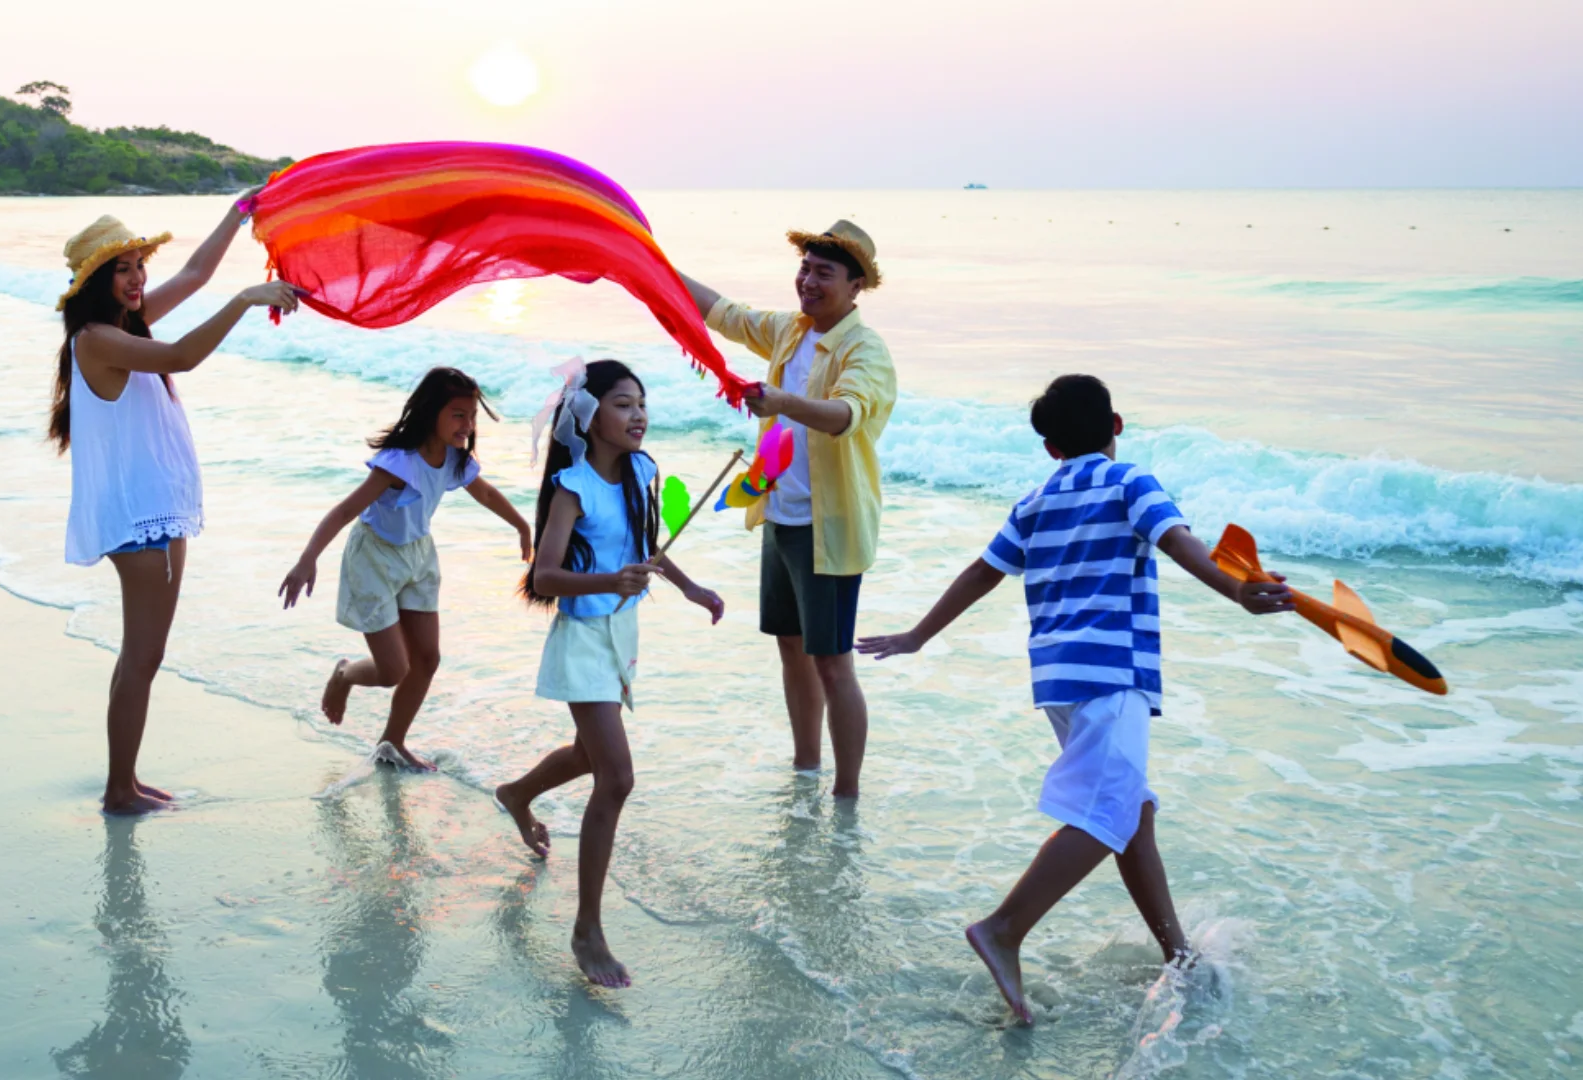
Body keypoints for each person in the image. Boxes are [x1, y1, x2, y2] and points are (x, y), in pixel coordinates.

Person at [858, 374, 1295, 1023]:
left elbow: (984, 571)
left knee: (1129, 812)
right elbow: (1179, 543)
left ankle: (1177, 952)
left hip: (1058, 679)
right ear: (1115, 426)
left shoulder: (1035, 500)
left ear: (1049, 446)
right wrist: (1235, 591)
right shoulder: (1131, 481)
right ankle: (1004, 928)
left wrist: (920, 634)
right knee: (1105, 810)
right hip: (1112, 670)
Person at [51, 199, 301, 815]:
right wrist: (247, 301)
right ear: (95, 284)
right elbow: (181, 356)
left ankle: (126, 781)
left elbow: (192, 276)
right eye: (123, 270)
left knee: (141, 655)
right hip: (141, 522)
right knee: (143, 656)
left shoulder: (125, 325)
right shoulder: (100, 340)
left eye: (138, 264)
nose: (137, 278)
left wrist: (239, 213)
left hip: (154, 512)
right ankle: (119, 790)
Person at [491, 359, 725, 988]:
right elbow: (544, 576)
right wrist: (606, 580)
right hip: (582, 637)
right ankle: (587, 930)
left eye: (642, 403)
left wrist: (692, 588)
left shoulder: (644, 472)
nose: (638, 415)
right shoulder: (572, 486)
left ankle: (517, 793)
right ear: (590, 418)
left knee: (592, 757)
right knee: (617, 777)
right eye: (623, 404)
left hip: (622, 632)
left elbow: (646, 550)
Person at [678, 221, 897, 798]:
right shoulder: (789, 331)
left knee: (833, 662)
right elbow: (722, 312)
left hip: (830, 529)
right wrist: (648, 264)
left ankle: (847, 793)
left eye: (825, 272)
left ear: (856, 287)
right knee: (790, 649)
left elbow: (847, 416)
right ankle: (806, 771)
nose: (809, 281)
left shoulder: (865, 349)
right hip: (779, 514)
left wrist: (782, 403)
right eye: (805, 268)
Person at [278, 367, 532, 769]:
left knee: (427, 659)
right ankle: (344, 674)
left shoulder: (453, 458)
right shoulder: (399, 463)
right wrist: (307, 559)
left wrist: (520, 524)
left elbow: (483, 490)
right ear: (432, 412)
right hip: (374, 559)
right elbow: (347, 508)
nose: (467, 425)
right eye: (457, 415)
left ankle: (392, 743)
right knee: (393, 669)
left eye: (471, 416)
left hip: (418, 555)